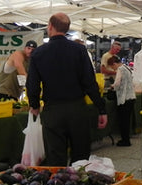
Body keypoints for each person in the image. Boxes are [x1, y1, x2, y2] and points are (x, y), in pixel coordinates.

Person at [26, 12, 108, 166]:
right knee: (81, 156)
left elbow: (32, 84)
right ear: (67, 28)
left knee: (55, 156)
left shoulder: (38, 53)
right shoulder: (79, 50)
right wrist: (101, 108)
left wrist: (34, 105)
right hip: (77, 109)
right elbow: (89, 82)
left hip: (52, 111)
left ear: (50, 26)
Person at [109, 56, 136, 146]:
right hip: (131, 96)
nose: (113, 69)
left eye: (112, 67)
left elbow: (117, 83)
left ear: (114, 63)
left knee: (123, 121)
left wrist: (112, 87)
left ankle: (125, 140)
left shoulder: (120, 69)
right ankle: (126, 139)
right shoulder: (127, 67)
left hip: (124, 98)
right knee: (127, 120)